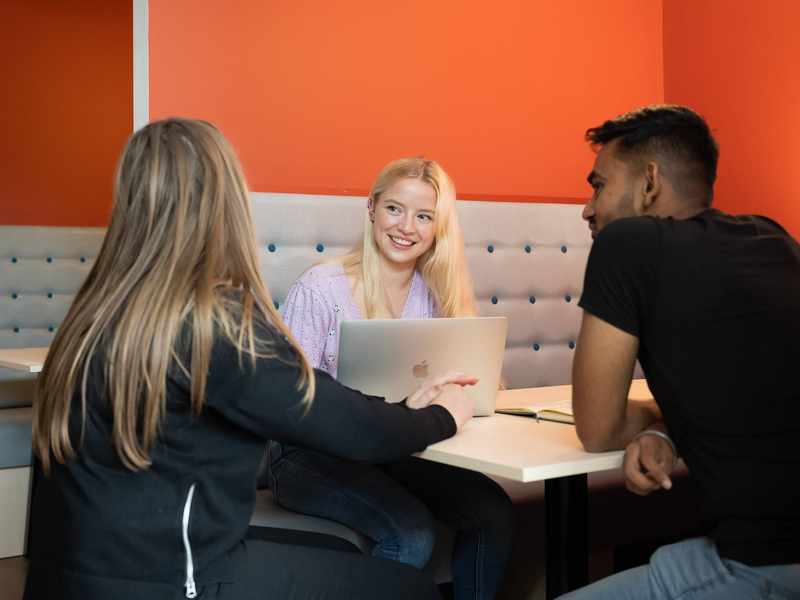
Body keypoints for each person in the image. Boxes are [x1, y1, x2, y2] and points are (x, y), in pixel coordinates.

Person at [24, 119, 476, 600]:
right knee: (409, 590)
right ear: (228, 205)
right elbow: (339, 421)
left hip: (72, 577)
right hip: (171, 579)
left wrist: (408, 411)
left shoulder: (93, 313)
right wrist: (439, 416)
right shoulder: (211, 322)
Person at [562, 105, 800, 599]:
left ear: (648, 184)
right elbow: (751, 391)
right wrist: (666, 433)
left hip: (766, 560)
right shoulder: (773, 237)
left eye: (599, 185)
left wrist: (649, 418)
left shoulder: (626, 244)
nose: (588, 207)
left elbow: (597, 428)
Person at [266, 158, 515, 600]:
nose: (406, 227)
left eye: (424, 216)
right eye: (395, 209)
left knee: (491, 511)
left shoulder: (437, 292)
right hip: (307, 457)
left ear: (438, 228)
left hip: (399, 450)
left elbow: (482, 385)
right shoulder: (321, 287)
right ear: (372, 209)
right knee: (412, 534)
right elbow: (289, 403)